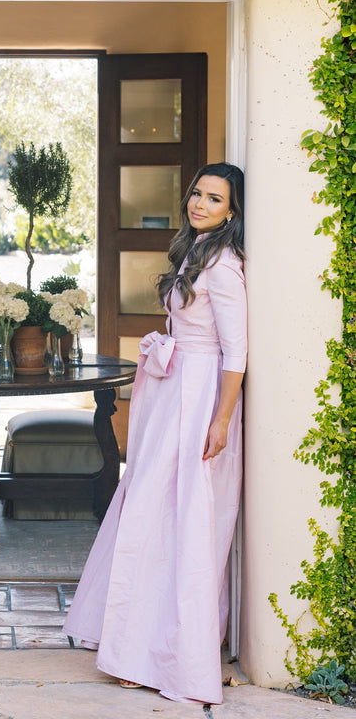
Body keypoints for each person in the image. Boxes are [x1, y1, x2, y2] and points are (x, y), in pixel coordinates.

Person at [63, 162, 247, 705]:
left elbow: (235, 353)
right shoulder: (196, 252)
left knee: (180, 519)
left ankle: (161, 652)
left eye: (214, 199)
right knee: (148, 510)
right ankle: (133, 639)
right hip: (174, 395)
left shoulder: (225, 266)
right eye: (197, 194)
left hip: (199, 400)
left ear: (232, 211)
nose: (200, 204)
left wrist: (220, 420)